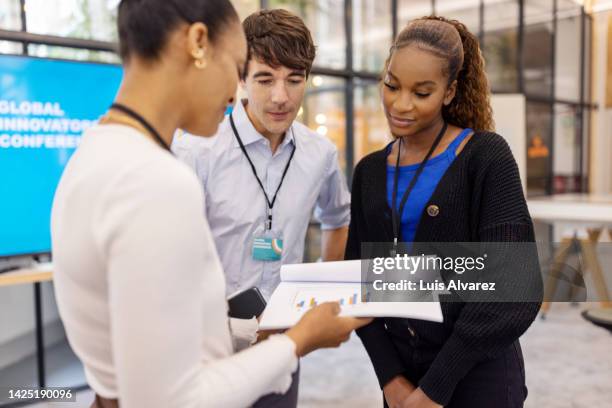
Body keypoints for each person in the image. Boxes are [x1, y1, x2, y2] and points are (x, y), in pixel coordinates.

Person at [51, 1, 369, 407]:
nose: (234, 92)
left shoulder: (94, 152)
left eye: (294, 79)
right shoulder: (159, 180)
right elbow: (170, 399)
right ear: (199, 44)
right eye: (239, 67)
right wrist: (300, 339)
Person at [345, 16, 542, 408]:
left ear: (450, 92)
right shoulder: (369, 172)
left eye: (422, 93)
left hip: (478, 374)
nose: (400, 104)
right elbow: (358, 279)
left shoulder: (485, 157)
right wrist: (390, 379)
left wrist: (436, 387)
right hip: (403, 378)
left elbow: (515, 289)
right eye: (391, 85)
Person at [172, 9, 350, 302]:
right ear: (241, 78)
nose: (281, 97)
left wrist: (319, 292)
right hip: (213, 333)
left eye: (294, 80)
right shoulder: (196, 151)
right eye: (265, 80)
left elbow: (339, 217)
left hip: (287, 334)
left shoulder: (321, 154)